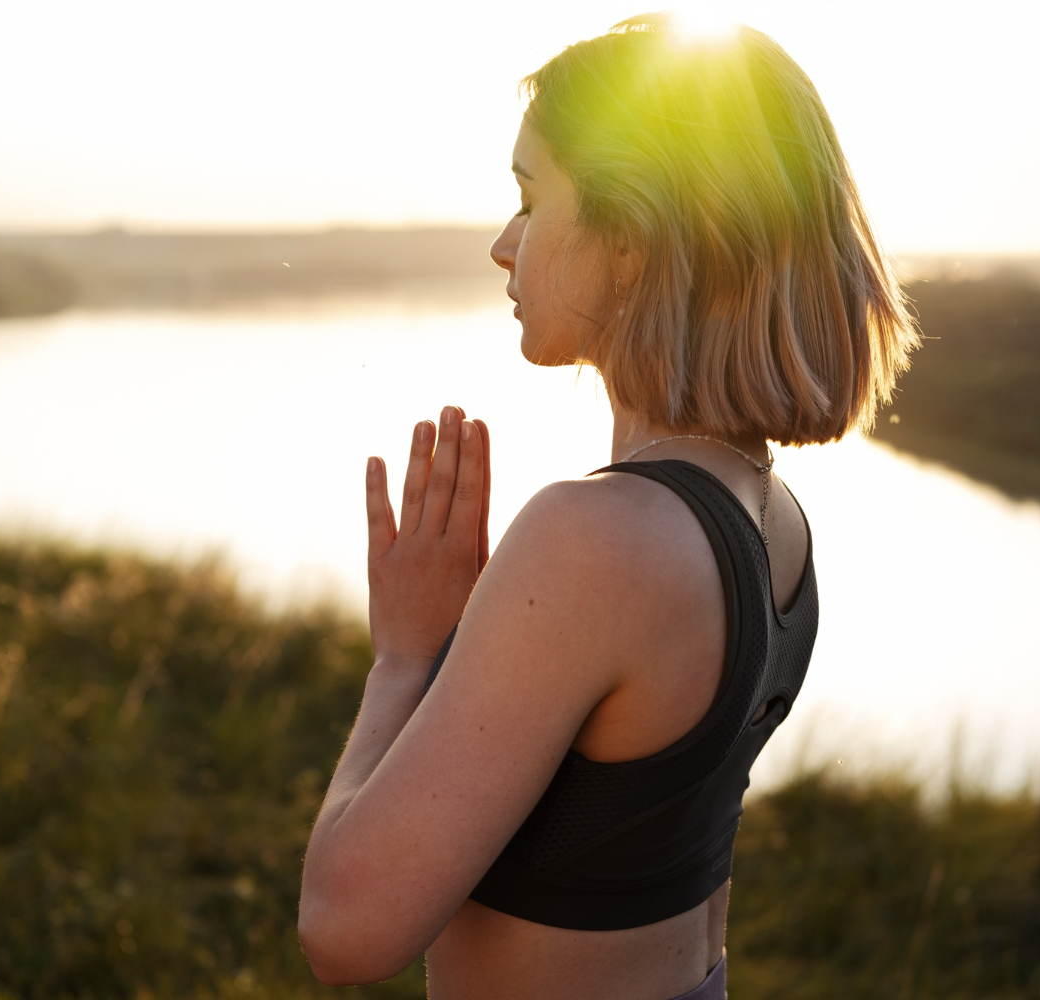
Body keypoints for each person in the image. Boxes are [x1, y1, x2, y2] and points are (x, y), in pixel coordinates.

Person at [298, 14, 915, 999]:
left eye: (531, 199)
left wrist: (405, 654)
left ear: (630, 240)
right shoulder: (773, 520)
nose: (504, 245)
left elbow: (345, 932)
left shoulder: (597, 540)